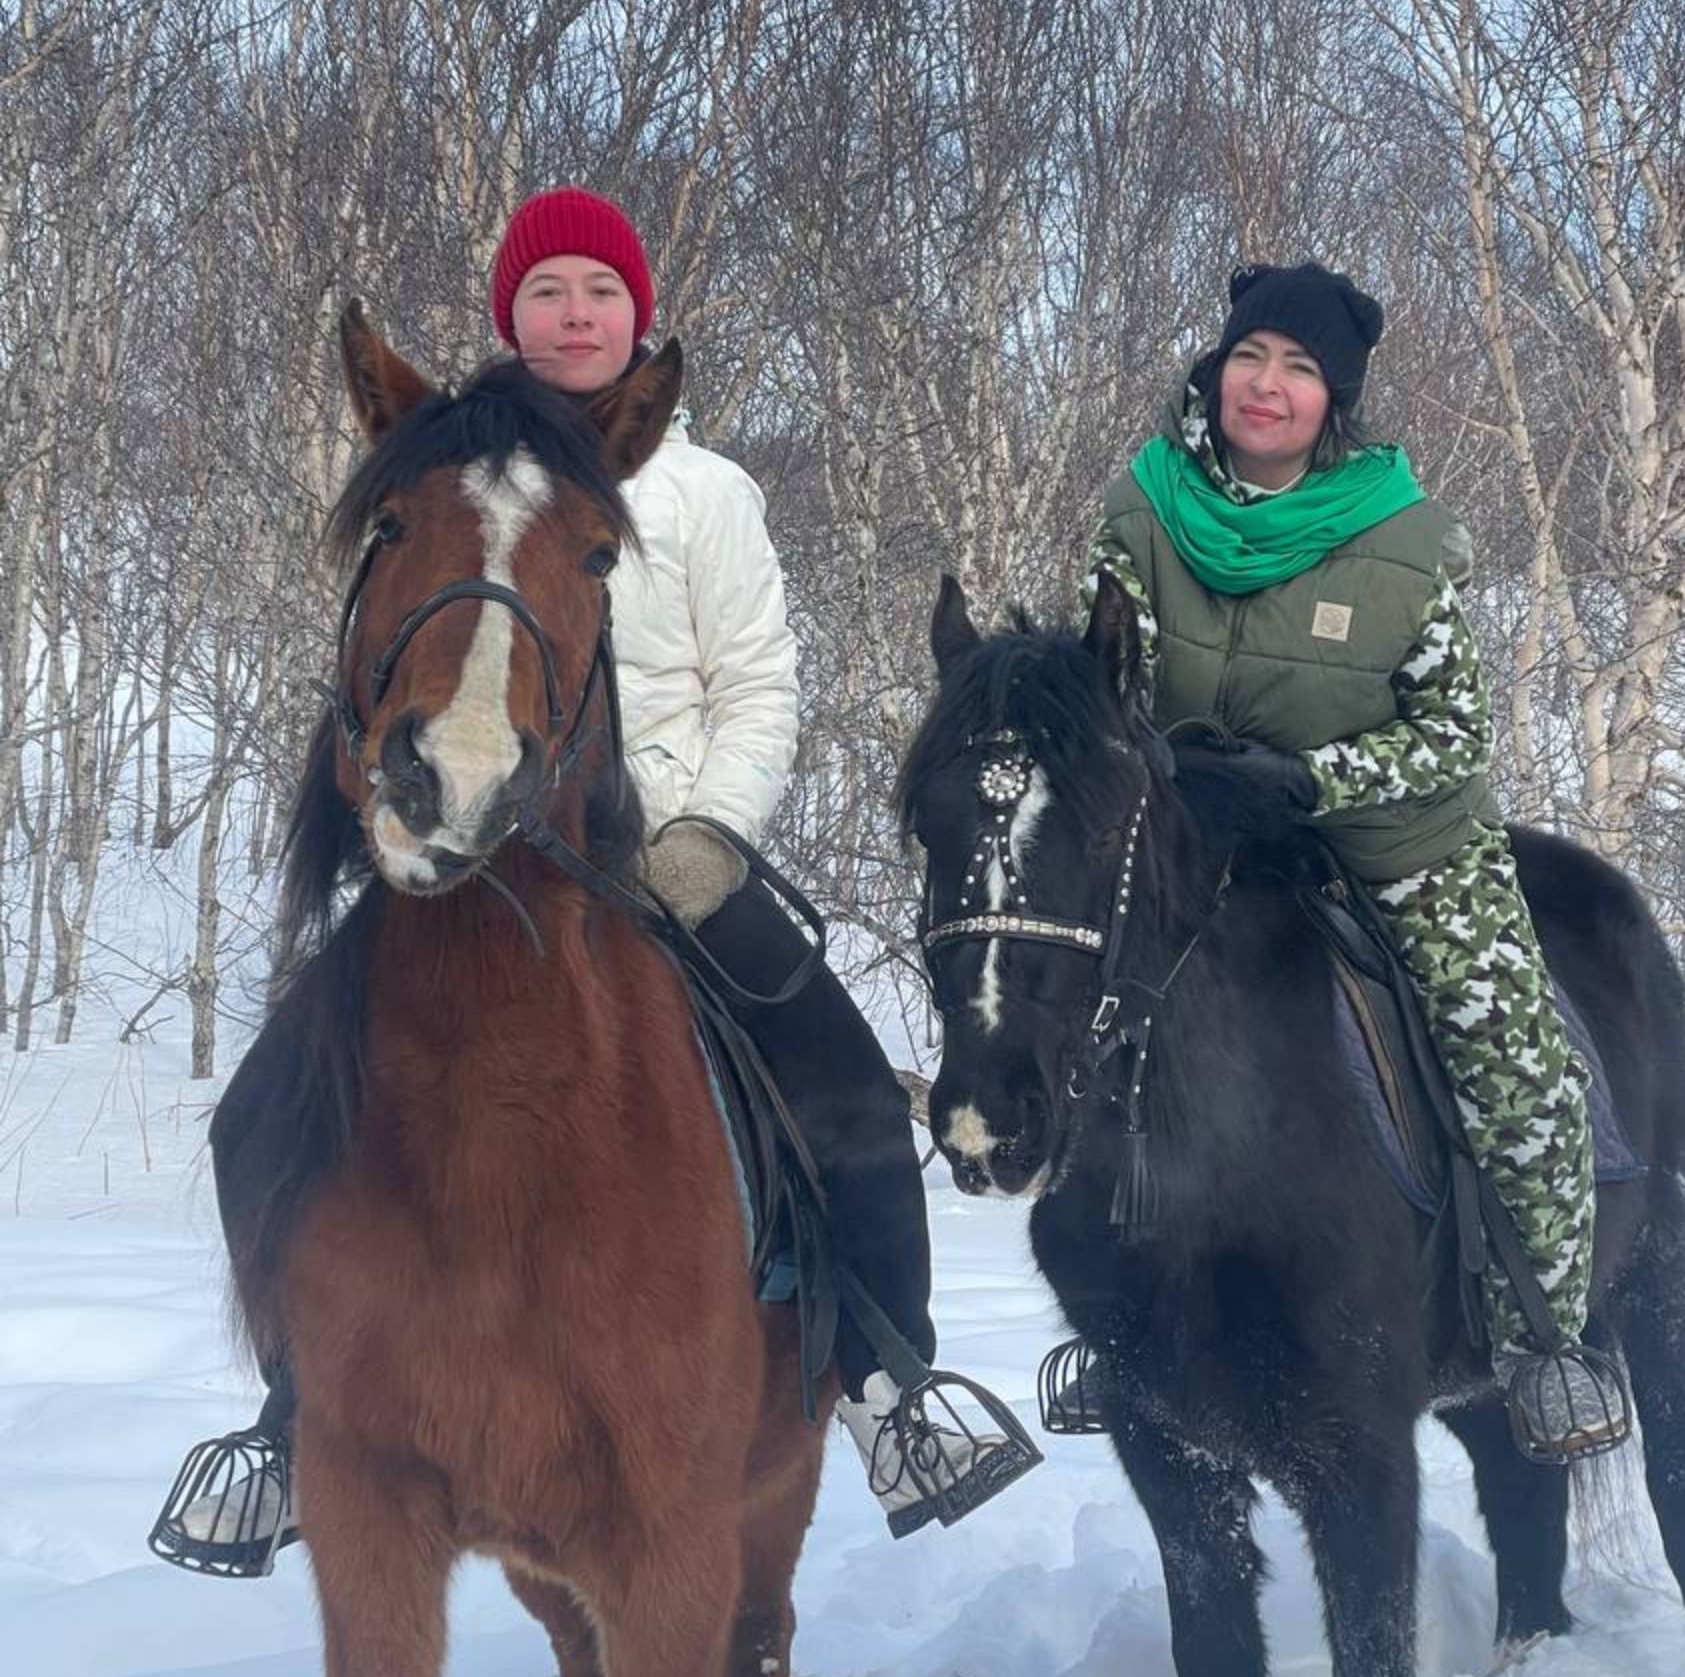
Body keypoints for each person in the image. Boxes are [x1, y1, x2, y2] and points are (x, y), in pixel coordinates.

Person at [154, 187, 1038, 1573]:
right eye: (549, 290)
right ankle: (296, 1409)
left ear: (639, 317)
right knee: (267, 1104)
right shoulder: (456, 466)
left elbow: (759, 688)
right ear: (511, 313)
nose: (576, 314)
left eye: (601, 293)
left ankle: (885, 1382)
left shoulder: (702, 490)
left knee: (851, 1093)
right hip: (479, 864)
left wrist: (712, 833)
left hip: (673, 862)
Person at [1082, 259, 1629, 1463]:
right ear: (1215, 370)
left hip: (1396, 841)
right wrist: (1163, 775)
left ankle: (1546, 1340)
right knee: (1079, 1001)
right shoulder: (1141, 514)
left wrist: (1314, 781)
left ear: (1336, 399)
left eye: (1298, 369)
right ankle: (1115, 1312)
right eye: (1248, 358)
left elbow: (1456, 732)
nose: (1265, 386)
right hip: (1203, 833)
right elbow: (1102, 688)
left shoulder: (1403, 538)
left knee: (1513, 1057)